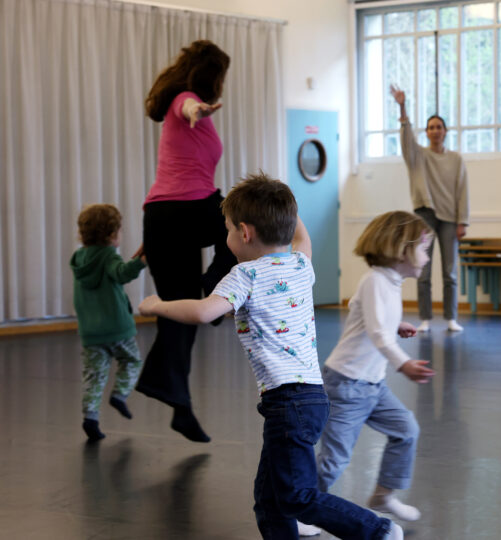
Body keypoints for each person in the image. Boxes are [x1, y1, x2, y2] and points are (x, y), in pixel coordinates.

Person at [139, 174, 403, 540]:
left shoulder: (243, 274)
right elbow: (303, 237)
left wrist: (159, 305)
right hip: (311, 398)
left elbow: (204, 312)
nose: (227, 237)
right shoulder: (299, 265)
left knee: (296, 497)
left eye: (228, 229)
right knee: (269, 500)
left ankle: (377, 530)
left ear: (244, 233)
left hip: (287, 402)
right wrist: (286, 206)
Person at [305, 211, 435, 535]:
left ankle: (383, 494)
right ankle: (302, 508)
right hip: (346, 384)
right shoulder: (377, 280)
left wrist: (396, 325)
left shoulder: (389, 282)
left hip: (372, 385)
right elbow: (377, 334)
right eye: (424, 248)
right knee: (334, 460)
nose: (428, 256)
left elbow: (360, 312)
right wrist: (403, 362)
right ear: (401, 250)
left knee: (406, 430)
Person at [136, 40, 237, 443]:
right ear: (209, 74)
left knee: (183, 314)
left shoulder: (187, 107)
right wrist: (199, 109)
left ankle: (177, 402)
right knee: (238, 232)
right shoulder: (186, 100)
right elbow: (186, 106)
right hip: (187, 210)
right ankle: (180, 402)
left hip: (163, 219)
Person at [390, 84, 469, 333]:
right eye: (431, 127)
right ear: (427, 132)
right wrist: (403, 108)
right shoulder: (418, 156)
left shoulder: (456, 159)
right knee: (423, 271)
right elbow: (406, 141)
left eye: (439, 127)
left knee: (450, 272)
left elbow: (462, 190)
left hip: (450, 218)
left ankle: (451, 318)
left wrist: (462, 222)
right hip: (425, 214)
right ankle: (425, 318)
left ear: (445, 132)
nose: (435, 130)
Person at [70, 204, 147, 441]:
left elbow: (112, 271)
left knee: (93, 375)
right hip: (117, 328)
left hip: (90, 332)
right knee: (131, 361)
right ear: (112, 235)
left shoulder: (79, 258)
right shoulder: (108, 256)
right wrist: (141, 262)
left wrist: (136, 256)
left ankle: (90, 417)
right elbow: (121, 273)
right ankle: (120, 394)